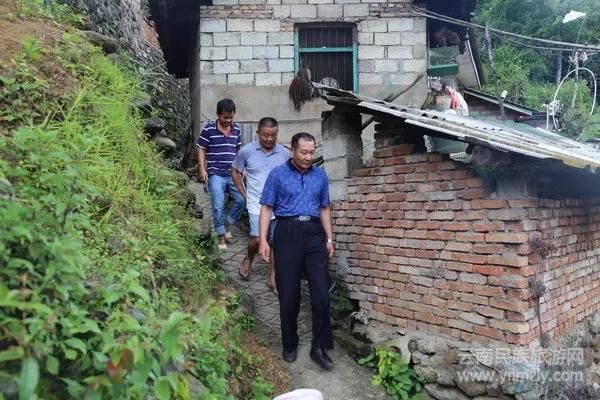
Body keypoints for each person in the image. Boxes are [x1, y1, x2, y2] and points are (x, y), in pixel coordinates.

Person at [258, 132, 335, 371]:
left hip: (314, 234)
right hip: (287, 232)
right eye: (304, 152)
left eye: (312, 152)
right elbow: (266, 208)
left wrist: (329, 238)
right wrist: (263, 240)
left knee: (321, 294)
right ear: (292, 151)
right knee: (289, 293)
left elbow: (324, 208)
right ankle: (289, 343)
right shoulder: (277, 174)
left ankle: (319, 347)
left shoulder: (320, 175)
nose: (309, 157)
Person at [231, 117, 289, 292]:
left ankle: (272, 276)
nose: (269, 139)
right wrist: (244, 194)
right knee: (257, 239)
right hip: (256, 203)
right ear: (258, 134)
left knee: (277, 242)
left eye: (273, 135)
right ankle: (249, 257)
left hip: (279, 206)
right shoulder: (246, 151)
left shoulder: (285, 153)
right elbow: (235, 171)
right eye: (265, 135)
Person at [197, 98, 245, 250]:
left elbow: (238, 151)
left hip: (233, 174)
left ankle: (225, 224)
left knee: (242, 200)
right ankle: (221, 237)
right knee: (218, 205)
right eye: (225, 117)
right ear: (218, 114)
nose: (228, 120)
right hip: (215, 173)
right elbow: (201, 149)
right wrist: (202, 169)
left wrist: (242, 168)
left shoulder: (236, 129)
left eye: (231, 117)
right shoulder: (208, 130)